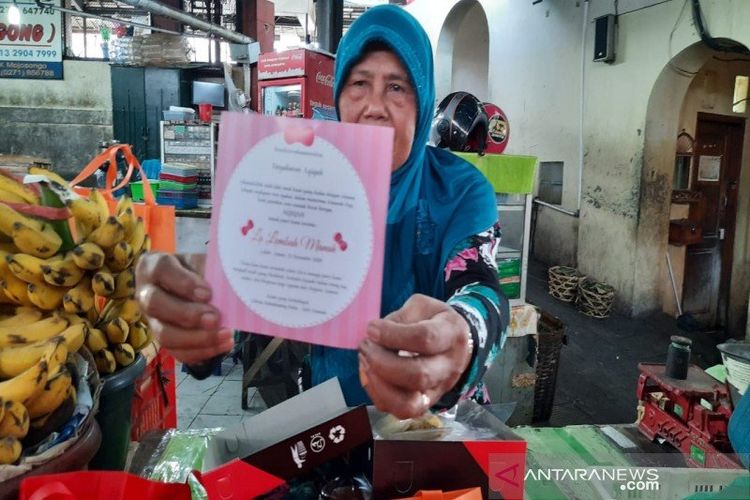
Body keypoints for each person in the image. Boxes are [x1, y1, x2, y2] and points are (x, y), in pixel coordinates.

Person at [135, 4, 509, 420]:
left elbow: (481, 287)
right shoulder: (305, 188)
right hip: (331, 423)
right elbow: (246, 304)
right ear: (338, 99)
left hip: (438, 427)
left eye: (397, 88)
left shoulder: (459, 190)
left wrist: (463, 335)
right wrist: (201, 318)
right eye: (359, 84)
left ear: (423, 101)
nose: (374, 106)